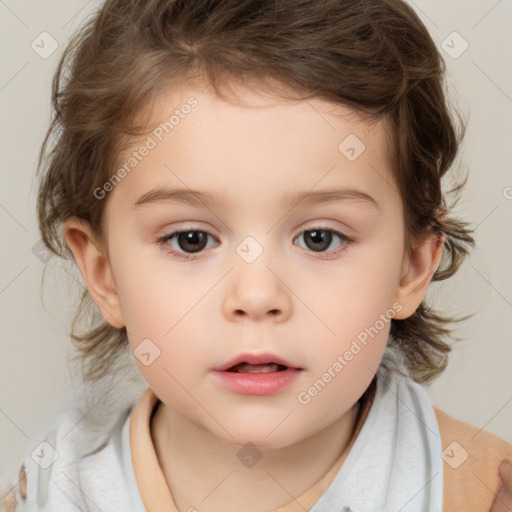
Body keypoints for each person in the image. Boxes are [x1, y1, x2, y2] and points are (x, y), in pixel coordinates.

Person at [1, 0, 511, 510]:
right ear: (103, 273)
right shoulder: (50, 495)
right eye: (190, 239)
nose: (257, 296)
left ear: (412, 267)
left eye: (320, 238)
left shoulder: (483, 491)